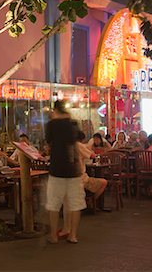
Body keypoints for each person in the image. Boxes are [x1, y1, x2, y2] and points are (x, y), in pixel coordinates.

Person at [45, 100, 85, 244]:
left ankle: (54, 237)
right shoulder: (73, 124)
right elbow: (80, 137)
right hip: (73, 169)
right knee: (75, 204)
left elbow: (48, 141)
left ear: (55, 110)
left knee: (54, 204)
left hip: (56, 169)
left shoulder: (51, 125)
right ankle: (73, 235)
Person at [58, 131, 107, 239]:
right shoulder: (78, 145)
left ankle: (67, 229)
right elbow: (93, 156)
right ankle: (90, 203)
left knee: (68, 204)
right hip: (80, 179)